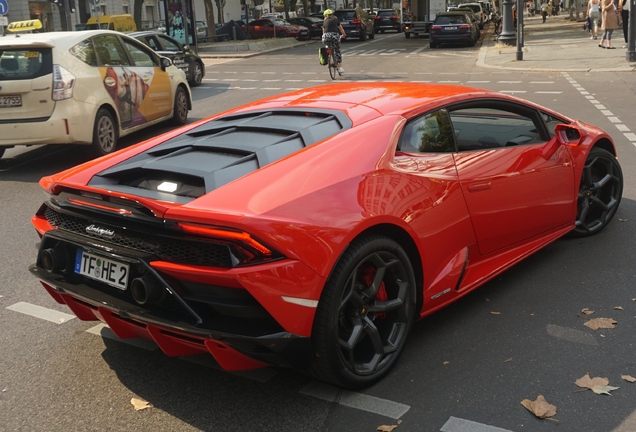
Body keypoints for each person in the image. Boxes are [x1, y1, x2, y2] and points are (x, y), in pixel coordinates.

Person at [322, 9, 346, 74]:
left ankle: (327, 53)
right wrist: (343, 34)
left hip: (325, 37)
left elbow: (323, 31)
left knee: (327, 46)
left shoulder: (325, 21)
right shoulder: (335, 19)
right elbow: (340, 28)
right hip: (334, 36)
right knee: (337, 50)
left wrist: (324, 37)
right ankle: (340, 67)